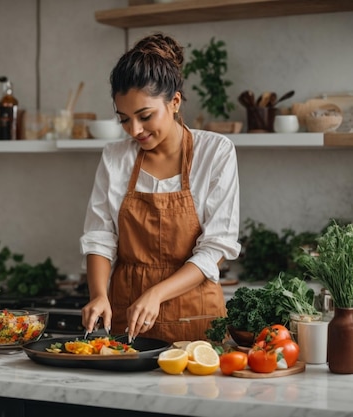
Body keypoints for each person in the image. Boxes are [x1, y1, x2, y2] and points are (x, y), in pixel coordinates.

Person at [80, 33, 241, 343]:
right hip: (128, 313)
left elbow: (216, 247)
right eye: (124, 119)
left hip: (195, 315)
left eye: (145, 116)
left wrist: (156, 293)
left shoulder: (215, 152)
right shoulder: (115, 157)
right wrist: (99, 294)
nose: (135, 130)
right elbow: (100, 237)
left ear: (175, 102)